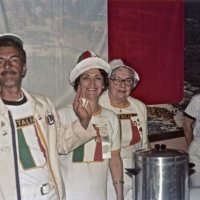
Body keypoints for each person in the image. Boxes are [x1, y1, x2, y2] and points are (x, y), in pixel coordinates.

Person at [0, 33, 97, 200]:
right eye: (0, 61)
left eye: (14, 59)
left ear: (24, 68)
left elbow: (61, 144)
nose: (7, 66)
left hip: (50, 195)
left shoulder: (43, 104)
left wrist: (84, 121)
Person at [58, 50, 124, 200]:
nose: (92, 84)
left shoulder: (110, 118)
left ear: (104, 84)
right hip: (69, 195)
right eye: (86, 78)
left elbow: (113, 158)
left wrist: (119, 195)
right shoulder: (61, 115)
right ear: (78, 83)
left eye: (98, 78)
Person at [99, 59, 149, 200]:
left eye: (128, 81)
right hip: (108, 173)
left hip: (137, 170)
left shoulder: (139, 107)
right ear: (108, 81)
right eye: (117, 80)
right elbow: (105, 149)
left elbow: (145, 143)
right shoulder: (98, 106)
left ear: (133, 85)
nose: (122, 85)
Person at [183, 94, 200, 187]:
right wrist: (191, 145)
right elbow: (186, 125)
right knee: (197, 187)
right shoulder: (197, 100)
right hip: (197, 150)